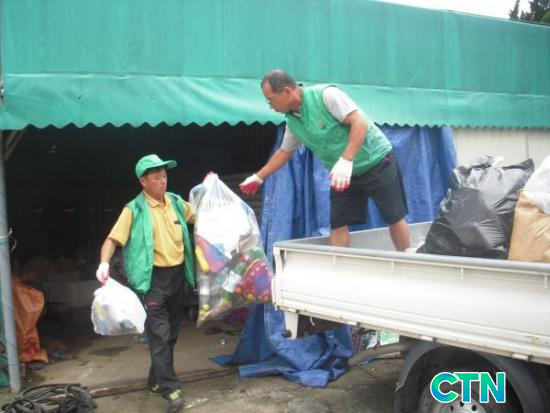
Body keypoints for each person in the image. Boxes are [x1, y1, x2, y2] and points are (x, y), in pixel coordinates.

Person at [240, 69, 409, 250]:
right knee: (338, 224)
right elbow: (284, 153)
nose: (270, 106)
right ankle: (340, 265)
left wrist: (346, 160)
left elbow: (359, 122)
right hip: (343, 174)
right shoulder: (293, 122)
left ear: (286, 91)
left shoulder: (326, 95)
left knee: (394, 217)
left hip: (376, 162)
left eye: (270, 99)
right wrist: (258, 177)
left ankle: (406, 259)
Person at [95, 154, 195, 413]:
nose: (163, 181)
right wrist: (104, 263)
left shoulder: (175, 202)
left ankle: (155, 380)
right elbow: (112, 240)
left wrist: (212, 194)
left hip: (178, 276)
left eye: (165, 176)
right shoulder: (134, 210)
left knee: (171, 335)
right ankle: (171, 389)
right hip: (152, 281)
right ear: (143, 181)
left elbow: (200, 216)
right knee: (159, 334)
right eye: (157, 177)